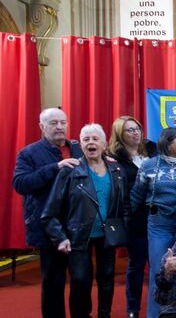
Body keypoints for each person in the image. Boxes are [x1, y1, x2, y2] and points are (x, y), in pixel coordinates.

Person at [41, 123, 129, 318]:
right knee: (81, 279)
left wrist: (124, 228)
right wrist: (60, 237)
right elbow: (49, 212)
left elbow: (124, 204)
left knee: (106, 278)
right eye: (86, 139)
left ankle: (104, 314)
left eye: (95, 139)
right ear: (80, 145)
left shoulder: (117, 170)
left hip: (108, 234)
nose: (91, 142)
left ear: (104, 144)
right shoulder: (69, 171)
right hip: (78, 235)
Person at [12, 107, 83, 318]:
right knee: (53, 282)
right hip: (48, 227)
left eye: (63, 122)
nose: (60, 127)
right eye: (53, 123)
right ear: (42, 127)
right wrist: (55, 167)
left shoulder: (78, 148)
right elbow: (20, 184)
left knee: (81, 280)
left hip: (79, 225)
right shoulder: (29, 153)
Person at [131, 127, 176, 318]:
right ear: (168, 142)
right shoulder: (148, 166)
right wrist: (123, 223)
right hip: (159, 225)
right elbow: (135, 197)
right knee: (160, 271)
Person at [107, 115, 157, 318]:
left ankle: (160, 305)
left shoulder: (152, 152)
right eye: (130, 130)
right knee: (136, 264)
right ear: (120, 134)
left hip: (157, 215)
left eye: (137, 128)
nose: (136, 132)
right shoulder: (113, 159)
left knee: (159, 264)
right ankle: (133, 309)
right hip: (135, 218)